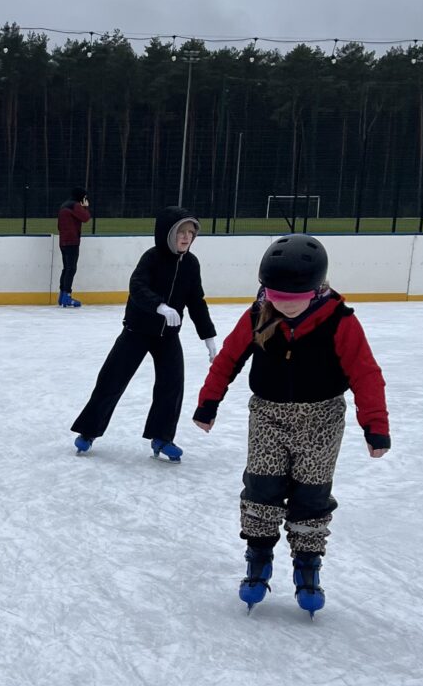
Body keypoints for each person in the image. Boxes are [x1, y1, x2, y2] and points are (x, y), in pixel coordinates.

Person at [192, 233, 390, 615]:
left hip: (322, 421)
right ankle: (259, 557)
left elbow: (365, 374)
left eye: (294, 299)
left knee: (311, 496)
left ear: (317, 289)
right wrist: (208, 403)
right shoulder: (258, 314)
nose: (286, 306)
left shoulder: (340, 321)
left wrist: (375, 426)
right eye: (278, 296)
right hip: (267, 416)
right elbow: (228, 360)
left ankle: (307, 564)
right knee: (261, 488)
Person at [70, 206, 217, 461]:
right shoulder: (152, 257)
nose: (186, 237)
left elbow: (196, 301)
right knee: (111, 380)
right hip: (136, 331)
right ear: (167, 234)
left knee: (172, 385)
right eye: (181, 232)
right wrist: (159, 306)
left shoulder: (191, 264)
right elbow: (137, 287)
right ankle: (88, 431)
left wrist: (208, 336)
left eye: (190, 233)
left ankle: (162, 438)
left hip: (168, 336)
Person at [56, 189, 91, 307]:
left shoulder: (64, 205)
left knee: (66, 268)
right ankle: (67, 296)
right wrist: (85, 207)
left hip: (63, 241)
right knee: (71, 269)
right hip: (72, 241)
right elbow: (86, 218)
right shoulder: (75, 205)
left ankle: (62, 295)